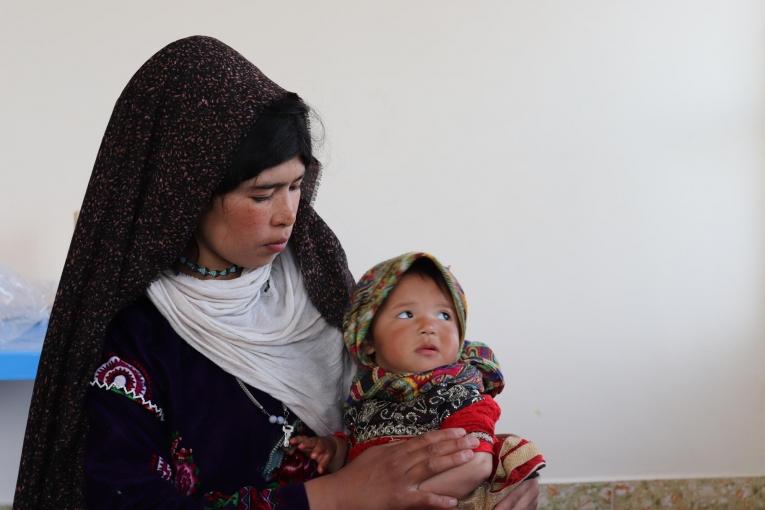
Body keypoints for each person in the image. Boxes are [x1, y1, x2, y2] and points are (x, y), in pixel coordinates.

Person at [14, 36, 540, 509]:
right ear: (183, 195)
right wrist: (332, 497)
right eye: (262, 194)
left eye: (295, 186)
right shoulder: (136, 341)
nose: (289, 213)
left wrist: (495, 468)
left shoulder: (314, 269)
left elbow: (408, 384)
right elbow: (123, 499)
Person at [292, 252, 545, 509]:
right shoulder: (365, 398)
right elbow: (357, 456)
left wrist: (394, 497)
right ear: (367, 341)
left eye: (445, 315)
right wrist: (333, 450)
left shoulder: (459, 393)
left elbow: (475, 464)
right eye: (406, 314)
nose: (429, 326)